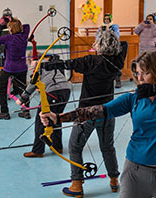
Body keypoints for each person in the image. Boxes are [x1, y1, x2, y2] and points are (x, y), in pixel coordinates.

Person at [40, 50, 156, 198]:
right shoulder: (134, 98)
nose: (139, 79)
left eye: (145, 73)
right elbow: (99, 111)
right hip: (135, 172)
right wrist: (58, 118)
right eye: (137, 73)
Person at [41, 29, 128, 197]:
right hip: (107, 111)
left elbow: (69, 64)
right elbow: (123, 44)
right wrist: (108, 44)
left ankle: (76, 185)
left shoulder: (90, 61)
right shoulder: (117, 61)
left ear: (99, 45)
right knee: (107, 147)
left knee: (75, 146)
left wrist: (49, 65)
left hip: (85, 114)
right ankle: (114, 181)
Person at [17, 54, 71, 157]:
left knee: (41, 120)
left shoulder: (39, 67)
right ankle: (57, 146)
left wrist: (22, 99)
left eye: (29, 61)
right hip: (66, 91)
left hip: (53, 92)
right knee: (56, 117)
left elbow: (32, 84)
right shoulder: (51, 65)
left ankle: (38, 151)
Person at [96, 13, 122, 88]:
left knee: (115, 64)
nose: (106, 20)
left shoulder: (114, 27)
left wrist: (109, 31)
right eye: (105, 19)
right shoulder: (102, 27)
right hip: (104, 48)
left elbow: (117, 36)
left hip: (113, 48)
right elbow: (97, 36)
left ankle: (118, 79)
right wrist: (101, 30)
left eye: (108, 19)